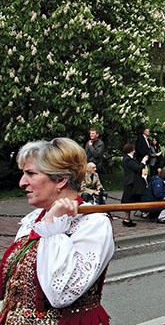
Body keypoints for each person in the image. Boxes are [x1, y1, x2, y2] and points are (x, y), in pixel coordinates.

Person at [0, 138, 114, 323]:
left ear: (60, 180)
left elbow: (60, 295)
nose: (22, 182)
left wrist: (53, 226)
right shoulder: (33, 220)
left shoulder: (93, 224)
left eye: (31, 173)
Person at [122, 143, 148, 227]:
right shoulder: (128, 160)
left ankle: (127, 218)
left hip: (132, 182)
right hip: (131, 183)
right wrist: (143, 161)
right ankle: (127, 219)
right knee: (128, 200)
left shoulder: (129, 159)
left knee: (130, 200)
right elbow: (138, 168)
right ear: (132, 150)